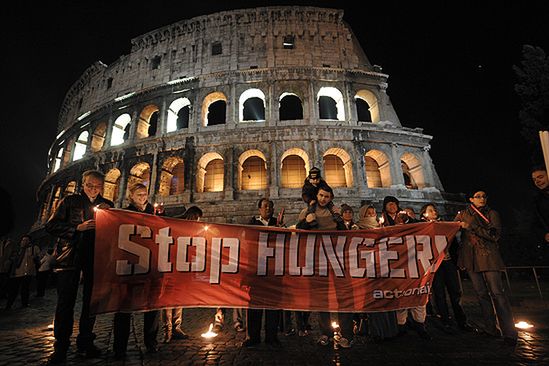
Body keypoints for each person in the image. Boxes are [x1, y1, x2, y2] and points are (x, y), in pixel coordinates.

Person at [44, 170, 114, 364]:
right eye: (89, 185)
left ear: (102, 186)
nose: (93, 189)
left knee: (91, 303)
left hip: (94, 257)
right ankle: (61, 347)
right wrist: (76, 228)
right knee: (65, 303)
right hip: (69, 256)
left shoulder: (108, 205)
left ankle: (85, 342)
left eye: (97, 186)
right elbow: (51, 226)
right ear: (83, 184)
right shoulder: (69, 201)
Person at [454, 190, 518, 346]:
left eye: (484, 196)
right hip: (470, 258)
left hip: (488, 256)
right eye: (478, 196)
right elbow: (451, 231)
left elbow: (494, 235)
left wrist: (471, 227)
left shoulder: (492, 213)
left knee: (497, 293)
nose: (482, 199)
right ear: (471, 199)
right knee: (481, 294)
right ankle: (490, 328)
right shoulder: (462, 214)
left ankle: (509, 332)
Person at [297, 183, 352, 348]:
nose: (323, 199)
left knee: (342, 296)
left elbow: (345, 234)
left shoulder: (335, 213)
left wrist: (340, 219)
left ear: (331, 198)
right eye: (321, 195)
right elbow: (299, 230)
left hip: (337, 259)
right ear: (317, 196)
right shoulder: (307, 211)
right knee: (323, 297)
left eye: (327, 196)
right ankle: (325, 333)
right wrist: (307, 223)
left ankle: (346, 334)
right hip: (317, 259)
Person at [113, 183, 161, 359]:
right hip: (130, 263)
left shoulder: (156, 214)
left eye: (145, 194)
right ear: (131, 196)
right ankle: (120, 347)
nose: (143, 197)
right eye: (139, 194)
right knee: (124, 307)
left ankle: (151, 342)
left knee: (153, 305)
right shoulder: (124, 213)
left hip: (152, 263)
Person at [420, 203, 474, 334]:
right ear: (424, 214)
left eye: (435, 210)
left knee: (455, 292)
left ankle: (461, 321)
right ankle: (445, 320)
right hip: (435, 264)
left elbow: (454, 242)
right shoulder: (422, 227)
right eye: (431, 210)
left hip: (448, 262)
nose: (434, 212)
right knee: (439, 293)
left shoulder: (445, 225)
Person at [242, 198, 282, 348]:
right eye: (265, 206)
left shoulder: (277, 224)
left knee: (273, 306)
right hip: (256, 271)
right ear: (259, 209)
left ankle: (272, 337)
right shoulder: (252, 224)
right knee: (255, 306)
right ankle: (253, 336)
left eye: (270, 207)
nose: (268, 209)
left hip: (273, 271)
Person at [162, 206, 203, 343]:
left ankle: (176, 327)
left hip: (184, 268)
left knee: (179, 299)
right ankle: (167, 330)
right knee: (168, 301)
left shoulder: (194, 228)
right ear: (191, 215)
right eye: (196, 218)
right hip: (171, 266)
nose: (197, 221)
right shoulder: (175, 223)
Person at [5, 235, 40, 309]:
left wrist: (36, 258)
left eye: (26, 240)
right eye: (23, 240)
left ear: (30, 241)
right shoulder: (18, 249)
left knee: (25, 289)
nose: (24, 242)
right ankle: (9, 305)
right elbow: (11, 257)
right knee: (14, 289)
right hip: (17, 272)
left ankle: (24, 304)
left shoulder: (34, 248)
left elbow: (39, 257)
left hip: (28, 272)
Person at [531, 165, 549, 262]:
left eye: (540, 177)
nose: (537, 181)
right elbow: (535, 224)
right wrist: (544, 234)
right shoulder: (537, 200)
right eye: (534, 179)